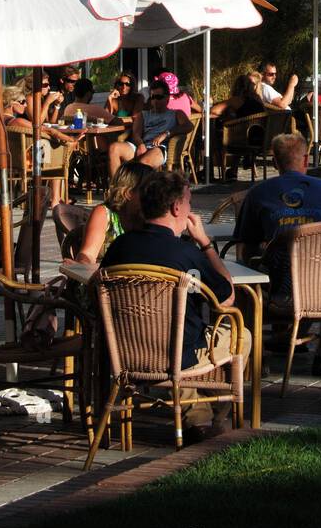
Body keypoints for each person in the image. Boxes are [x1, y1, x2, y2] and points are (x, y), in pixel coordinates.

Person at [101, 170, 250, 438]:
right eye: (189, 202)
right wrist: (205, 243)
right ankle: (213, 418)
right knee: (242, 334)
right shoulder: (186, 253)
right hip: (177, 356)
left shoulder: (119, 247)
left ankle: (198, 416)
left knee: (183, 339)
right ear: (176, 206)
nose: (190, 208)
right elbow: (227, 297)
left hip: (126, 353)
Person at [235, 132, 321, 371]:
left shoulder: (258, 193)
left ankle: (254, 355)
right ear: (306, 159)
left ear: (275, 162)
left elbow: (244, 246)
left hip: (281, 295)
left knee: (243, 280)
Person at [108, 79, 193, 177]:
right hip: (142, 145)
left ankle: (138, 190)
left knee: (144, 162)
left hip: (160, 147)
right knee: (113, 148)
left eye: (159, 97)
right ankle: (115, 189)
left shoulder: (176, 114)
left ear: (167, 98)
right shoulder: (143, 115)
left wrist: (166, 134)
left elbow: (188, 126)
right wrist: (140, 144)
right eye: (153, 97)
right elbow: (136, 134)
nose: (155, 100)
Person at [76, 163, 147, 264]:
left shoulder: (149, 215)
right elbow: (87, 254)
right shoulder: (104, 213)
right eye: (146, 190)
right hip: (106, 275)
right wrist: (83, 264)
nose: (151, 195)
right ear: (128, 192)